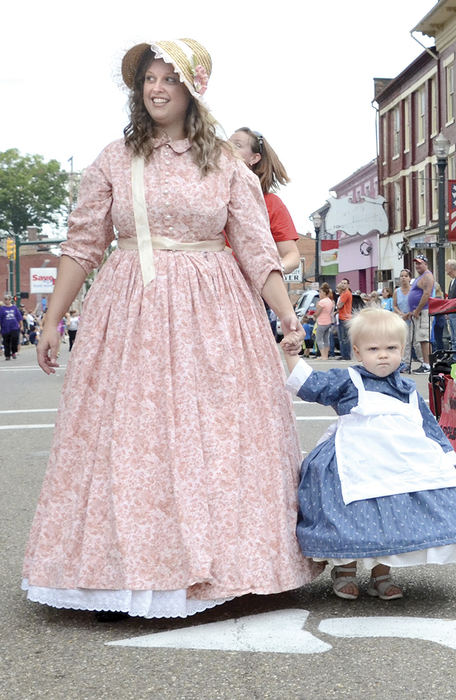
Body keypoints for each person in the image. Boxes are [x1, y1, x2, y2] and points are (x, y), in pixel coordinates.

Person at [22, 38, 322, 621]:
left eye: (169, 79)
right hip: (132, 305)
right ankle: (129, 570)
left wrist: (287, 315)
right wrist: (53, 319)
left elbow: (258, 248)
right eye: (148, 79)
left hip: (216, 312)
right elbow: (84, 244)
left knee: (220, 433)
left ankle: (233, 567)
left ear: (193, 89)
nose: (156, 88)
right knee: (133, 435)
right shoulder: (115, 158)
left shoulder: (228, 165)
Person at [281, 307, 456, 601]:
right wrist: (291, 355)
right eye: (373, 348)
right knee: (349, 512)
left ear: (402, 350)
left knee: (392, 514)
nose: (382, 355)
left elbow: (426, 423)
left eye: (391, 348)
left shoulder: (407, 388)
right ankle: (345, 570)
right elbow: (310, 385)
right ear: (357, 351)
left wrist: (442, 458)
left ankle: (382, 573)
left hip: (397, 461)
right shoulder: (348, 380)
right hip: (354, 457)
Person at [229, 128, 300, 274]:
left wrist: (268, 272)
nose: (228, 148)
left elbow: (292, 256)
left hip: (251, 287)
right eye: (227, 143)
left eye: (237, 145)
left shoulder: (271, 203)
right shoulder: (211, 196)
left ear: (254, 158)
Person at [408, 254, 434, 373]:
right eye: (416, 263)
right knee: (422, 339)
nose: (417, 265)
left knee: (424, 338)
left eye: (420, 263)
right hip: (419, 311)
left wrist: (417, 310)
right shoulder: (420, 276)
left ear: (426, 264)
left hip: (424, 311)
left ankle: (427, 365)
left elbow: (427, 294)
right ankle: (425, 362)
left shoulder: (427, 276)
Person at [393, 269, 422, 371]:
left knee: (417, 342)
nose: (403, 278)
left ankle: (423, 362)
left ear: (410, 278)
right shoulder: (397, 292)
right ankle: (406, 364)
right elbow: (395, 305)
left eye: (406, 276)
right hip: (402, 320)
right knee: (405, 343)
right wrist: (401, 314)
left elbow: (418, 303)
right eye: (401, 276)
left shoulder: (413, 290)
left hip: (413, 318)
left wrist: (411, 312)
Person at [313, 283, 335, 360]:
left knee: (319, 339)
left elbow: (317, 312)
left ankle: (323, 356)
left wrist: (314, 316)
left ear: (324, 293)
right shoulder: (330, 301)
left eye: (320, 292)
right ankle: (326, 355)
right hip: (328, 321)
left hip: (321, 322)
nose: (319, 294)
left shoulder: (322, 302)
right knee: (326, 339)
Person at [0, 294, 22, 360]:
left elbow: (19, 317)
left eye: (8, 299)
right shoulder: (2, 309)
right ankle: (7, 355)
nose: (7, 301)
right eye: (5, 299)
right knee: (6, 342)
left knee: (14, 339)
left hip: (14, 327)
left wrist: (21, 326)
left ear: (10, 300)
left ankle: (13, 352)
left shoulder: (14, 308)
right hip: (5, 328)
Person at [336, 278, 352, 359]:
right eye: (342, 283)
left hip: (344, 317)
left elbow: (339, 305)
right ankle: (344, 355)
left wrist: (338, 305)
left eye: (345, 283)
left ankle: (346, 355)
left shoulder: (346, 293)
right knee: (343, 338)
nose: (343, 284)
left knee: (344, 338)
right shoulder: (344, 293)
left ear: (348, 285)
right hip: (344, 316)